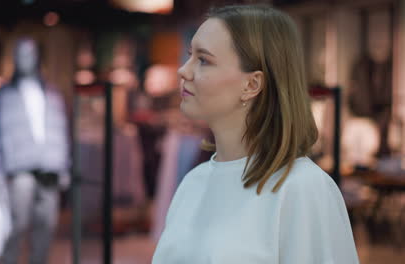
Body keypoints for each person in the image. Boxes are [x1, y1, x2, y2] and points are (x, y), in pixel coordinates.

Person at [152, 5, 359, 264]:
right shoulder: (194, 182)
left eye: (203, 59)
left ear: (251, 85)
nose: (183, 70)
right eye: (190, 55)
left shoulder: (302, 187)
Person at [0, 37, 70, 264]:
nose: (25, 59)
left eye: (30, 54)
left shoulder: (52, 92)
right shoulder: (4, 95)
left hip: (50, 168)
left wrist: (64, 166)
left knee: (46, 226)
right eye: (20, 54)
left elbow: (61, 130)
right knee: (17, 225)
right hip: (19, 169)